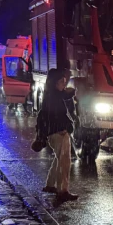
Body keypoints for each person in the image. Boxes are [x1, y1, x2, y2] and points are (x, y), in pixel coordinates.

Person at [38, 69, 78, 202]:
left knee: (59, 158)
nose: (64, 84)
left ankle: (50, 184)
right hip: (59, 132)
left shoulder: (51, 94)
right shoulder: (53, 97)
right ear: (55, 83)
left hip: (55, 132)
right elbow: (56, 116)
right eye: (62, 82)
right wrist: (64, 128)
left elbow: (65, 95)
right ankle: (63, 190)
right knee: (64, 162)